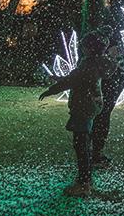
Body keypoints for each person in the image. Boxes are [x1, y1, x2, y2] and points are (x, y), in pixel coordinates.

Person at [38, 31, 107, 197]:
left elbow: (72, 80)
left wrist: (51, 90)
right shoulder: (95, 64)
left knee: (80, 144)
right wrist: (60, 79)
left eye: (83, 46)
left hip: (83, 107)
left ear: (89, 48)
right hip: (90, 106)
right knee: (83, 143)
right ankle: (86, 179)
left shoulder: (88, 66)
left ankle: (84, 183)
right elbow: (73, 78)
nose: (80, 48)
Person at [91, 26, 124, 169]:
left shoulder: (111, 34)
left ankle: (95, 151)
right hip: (111, 81)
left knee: (102, 114)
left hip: (113, 80)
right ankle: (94, 152)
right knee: (102, 115)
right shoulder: (110, 36)